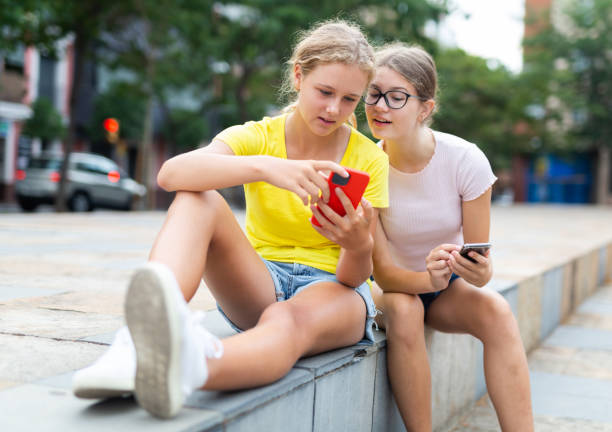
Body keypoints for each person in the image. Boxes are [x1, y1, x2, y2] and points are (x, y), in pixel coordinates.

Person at [71, 20, 389, 419]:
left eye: (348, 99)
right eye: (324, 92)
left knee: (285, 319)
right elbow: (171, 174)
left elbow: (353, 277)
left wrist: (357, 244)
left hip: (335, 293)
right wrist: (265, 167)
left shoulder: (370, 159)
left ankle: (185, 368)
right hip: (261, 280)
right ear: (298, 76)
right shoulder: (259, 136)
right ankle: (139, 342)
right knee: (197, 199)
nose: (334, 109)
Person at [363, 43, 534, 431]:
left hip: (442, 288)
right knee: (406, 310)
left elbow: (480, 272)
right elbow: (385, 274)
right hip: (387, 288)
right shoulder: (366, 165)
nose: (379, 106)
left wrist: (469, 270)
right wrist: (428, 278)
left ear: (425, 108)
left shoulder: (465, 160)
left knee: (497, 311)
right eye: (373, 93)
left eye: (396, 96)